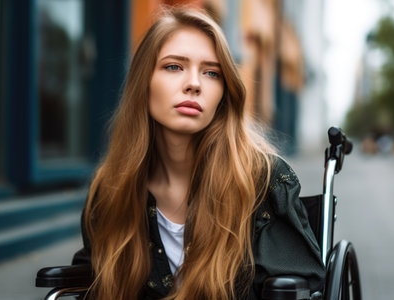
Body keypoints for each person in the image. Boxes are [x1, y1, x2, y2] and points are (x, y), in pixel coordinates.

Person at [79, 6, 325, 300]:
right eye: (174, 66)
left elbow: (298, 285)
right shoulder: (112, 188)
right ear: (143, 83)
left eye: (211, 73)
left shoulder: (262, 180)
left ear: (224, 93)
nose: (194, 84)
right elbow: (90, 278)